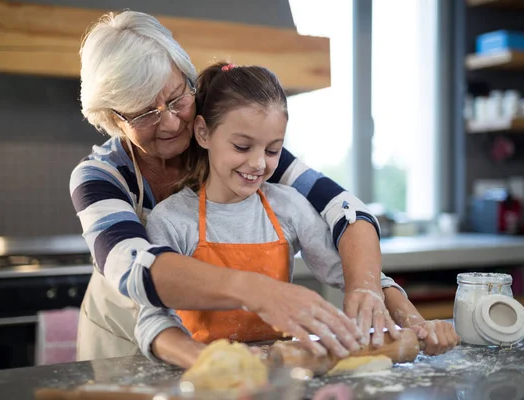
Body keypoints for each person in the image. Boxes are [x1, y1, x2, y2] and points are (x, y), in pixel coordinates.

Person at [71, 9, 429, 362]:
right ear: (112, 118)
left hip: (227, 356)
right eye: (145, 113)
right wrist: (255, 291)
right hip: (119, 347)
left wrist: (372, 287)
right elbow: (135, 268)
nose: (169, 122)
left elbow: (344, 209)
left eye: (177, 98)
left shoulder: (235, 148)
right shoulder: (100, 176)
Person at [133, 62, 459, 368]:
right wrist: (206, 362)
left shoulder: (287, 207)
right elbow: (153, 318)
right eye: (243, 147)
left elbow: (354, 277)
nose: (259, 163)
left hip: (280, 375)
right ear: (203, 133)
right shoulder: (172, 220)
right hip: (200, 379)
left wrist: (417, 324)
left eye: (273, 150)